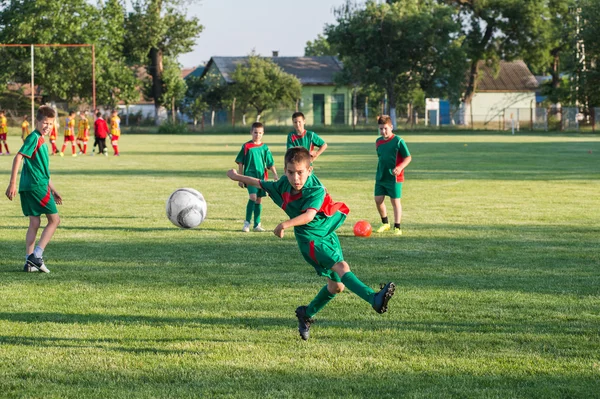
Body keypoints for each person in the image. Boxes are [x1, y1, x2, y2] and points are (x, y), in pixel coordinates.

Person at [227, 147, 396, 340]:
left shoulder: (315, 189)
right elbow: (260, 183)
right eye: (291, 172)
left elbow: (309, 215)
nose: (295, 178)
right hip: (310, 240)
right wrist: (237, 176)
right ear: (285, 170)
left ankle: (306, 313)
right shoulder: (282, 185)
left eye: (300, 173)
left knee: (336, 287)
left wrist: (285, 224)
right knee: (342, 266)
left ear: (310, 170)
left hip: (326, 231)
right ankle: (373, 298)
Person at [5, 105, 62, 273]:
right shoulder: (34, 138)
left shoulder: (41, 140)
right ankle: (36, 255)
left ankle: (29, 263)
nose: (48, 127)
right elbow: (18, 157)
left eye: (51, 124)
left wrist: (53, 189)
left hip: (31, 186)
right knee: (54, 220)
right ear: (37, 121)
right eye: (45, 122)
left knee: (34, 223)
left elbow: (42, 170)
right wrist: (12, 183)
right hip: (37, 186)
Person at [234, 122, 278, 232]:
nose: (257, 135)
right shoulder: (246, 146)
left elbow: (270, 163)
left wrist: (275, 174)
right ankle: (247, 223)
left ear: (263, 133)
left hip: (261, 177)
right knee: (252, 197)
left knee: (258, 200)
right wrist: (240, 177)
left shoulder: (264, 147)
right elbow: (240, 162)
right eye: (255, 132)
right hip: (249, 176)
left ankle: (257, 224)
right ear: (251, 132)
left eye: (259, 133)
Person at [374, 115, 412, 235]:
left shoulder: (399, 141)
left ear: (391, 127)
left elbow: (408, 157)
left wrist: (400, 167)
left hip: (395, 178)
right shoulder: (378, 142)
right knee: (378, 200)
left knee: (395, 202)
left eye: (385, 128)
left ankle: (397, 226)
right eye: (381, 129)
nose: (383, 131)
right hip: (381, 176)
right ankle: (385, 223)